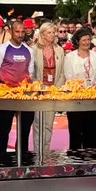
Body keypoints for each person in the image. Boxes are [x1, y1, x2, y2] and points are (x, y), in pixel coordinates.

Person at [0, 20, 34, 155]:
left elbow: (30, 75)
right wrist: (2, 91)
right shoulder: (2, 50)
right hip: (7, 97)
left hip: (24, 96)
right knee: (4, 130)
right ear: (10, 31)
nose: (20, 35)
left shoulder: (29, 51)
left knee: (25, 131)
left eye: (22, 32)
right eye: (17, 32)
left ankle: (22, 160)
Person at [63, 28, 96, 150]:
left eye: (88, 39)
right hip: (76, 99)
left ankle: (92, 160)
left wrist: (95, 86)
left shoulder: (95, 55)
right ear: (77, 41)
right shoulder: (70, 57)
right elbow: (69, 76)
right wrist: (80, 89)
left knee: (92, 131)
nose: (87, 42)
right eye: (84, 40)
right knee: (76, 131)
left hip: (92, 98)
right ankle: (75, 160)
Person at [30, 21, 66, 152]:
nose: (52, 35)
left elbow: (62, 71)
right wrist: (37, 86)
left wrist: (57, 88)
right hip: (39, 90)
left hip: (53, 90)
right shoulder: (34, 50)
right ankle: (37, 151)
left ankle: (45, 152)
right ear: (43, 35)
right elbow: (31, 71)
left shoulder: (59, 50)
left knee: (49, 124)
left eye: (53, 32)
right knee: (38, 124)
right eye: (49, 33)